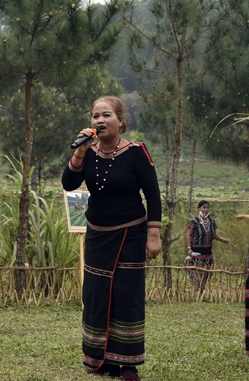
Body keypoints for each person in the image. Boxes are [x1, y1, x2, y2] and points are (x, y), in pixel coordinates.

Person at [62, 95, 161, 381]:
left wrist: (153, 236)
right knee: (96, 295)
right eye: (95, 116)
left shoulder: (136, 152)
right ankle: (100, 359)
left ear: (120, 121)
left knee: (126, 295)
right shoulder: (89, 151)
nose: (99, 120)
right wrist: (79, 152)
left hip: (131, 233)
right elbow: (69, 184)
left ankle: (128, 363)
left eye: (106, 115)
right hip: (98, 235)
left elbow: (153, 195)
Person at [185, 200, 230, 292]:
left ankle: (201, 291)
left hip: (208, 252)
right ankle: (197, 291)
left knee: (207, 273)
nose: (206, 209)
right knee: (196, 273)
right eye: (204, 207)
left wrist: (222, 239)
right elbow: (189, 235)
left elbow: (214, 234)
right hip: (197, 252)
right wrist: (189, 249)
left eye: (207, 207)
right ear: (199, 208)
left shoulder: (212, 222)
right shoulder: (194, 222)